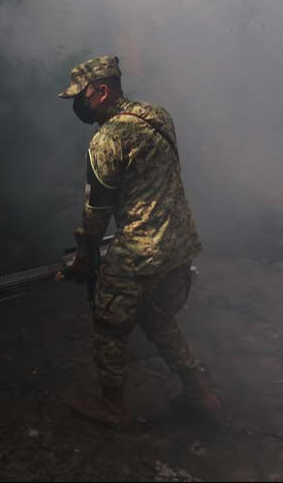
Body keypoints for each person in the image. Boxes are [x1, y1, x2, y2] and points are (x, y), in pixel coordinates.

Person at [56, 55, 220, 430]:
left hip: (139, 250)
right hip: (180, 241)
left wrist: (84, 260)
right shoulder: (157, 115)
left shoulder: (106, 140)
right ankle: (201, 393)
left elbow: (97, 213)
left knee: (108, 325)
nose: (78, 105)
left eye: (80, 97)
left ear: (102, 91)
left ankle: (114, 407)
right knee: (156, 317)